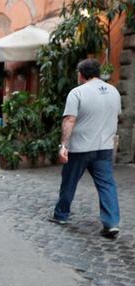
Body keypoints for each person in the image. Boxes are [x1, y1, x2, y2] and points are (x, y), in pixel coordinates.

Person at [51, 58, 122, 239]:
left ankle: (61, 215)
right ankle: (111, 222)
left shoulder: (78, 92)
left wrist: (63, 145)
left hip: (81, 147)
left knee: (69, 181)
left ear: (81, 74)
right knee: (107, 185)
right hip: (104, 147)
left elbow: (69, 120)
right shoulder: (114, 91)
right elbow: (116, 117)